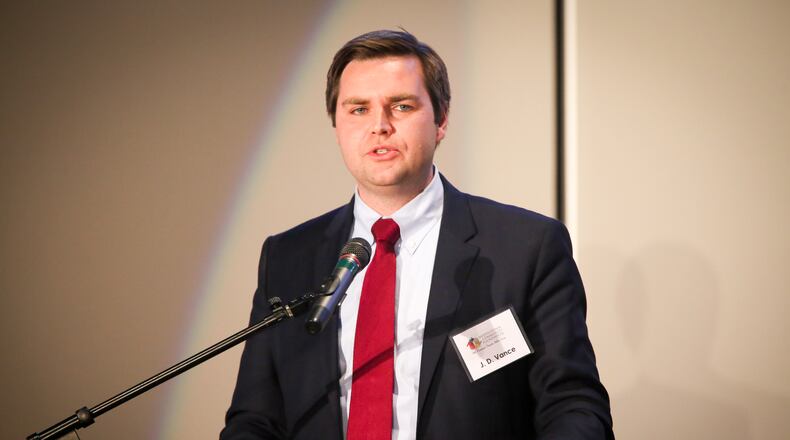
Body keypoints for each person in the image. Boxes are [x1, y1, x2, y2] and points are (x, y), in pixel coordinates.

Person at [221, 30, 613, 440]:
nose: (379, 126)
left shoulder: (526, 247)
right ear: (335, 124)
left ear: (441, 119)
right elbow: (255, 419)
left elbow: (571, 403)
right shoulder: (288, 257)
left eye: (401, 106)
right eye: (357, 109)